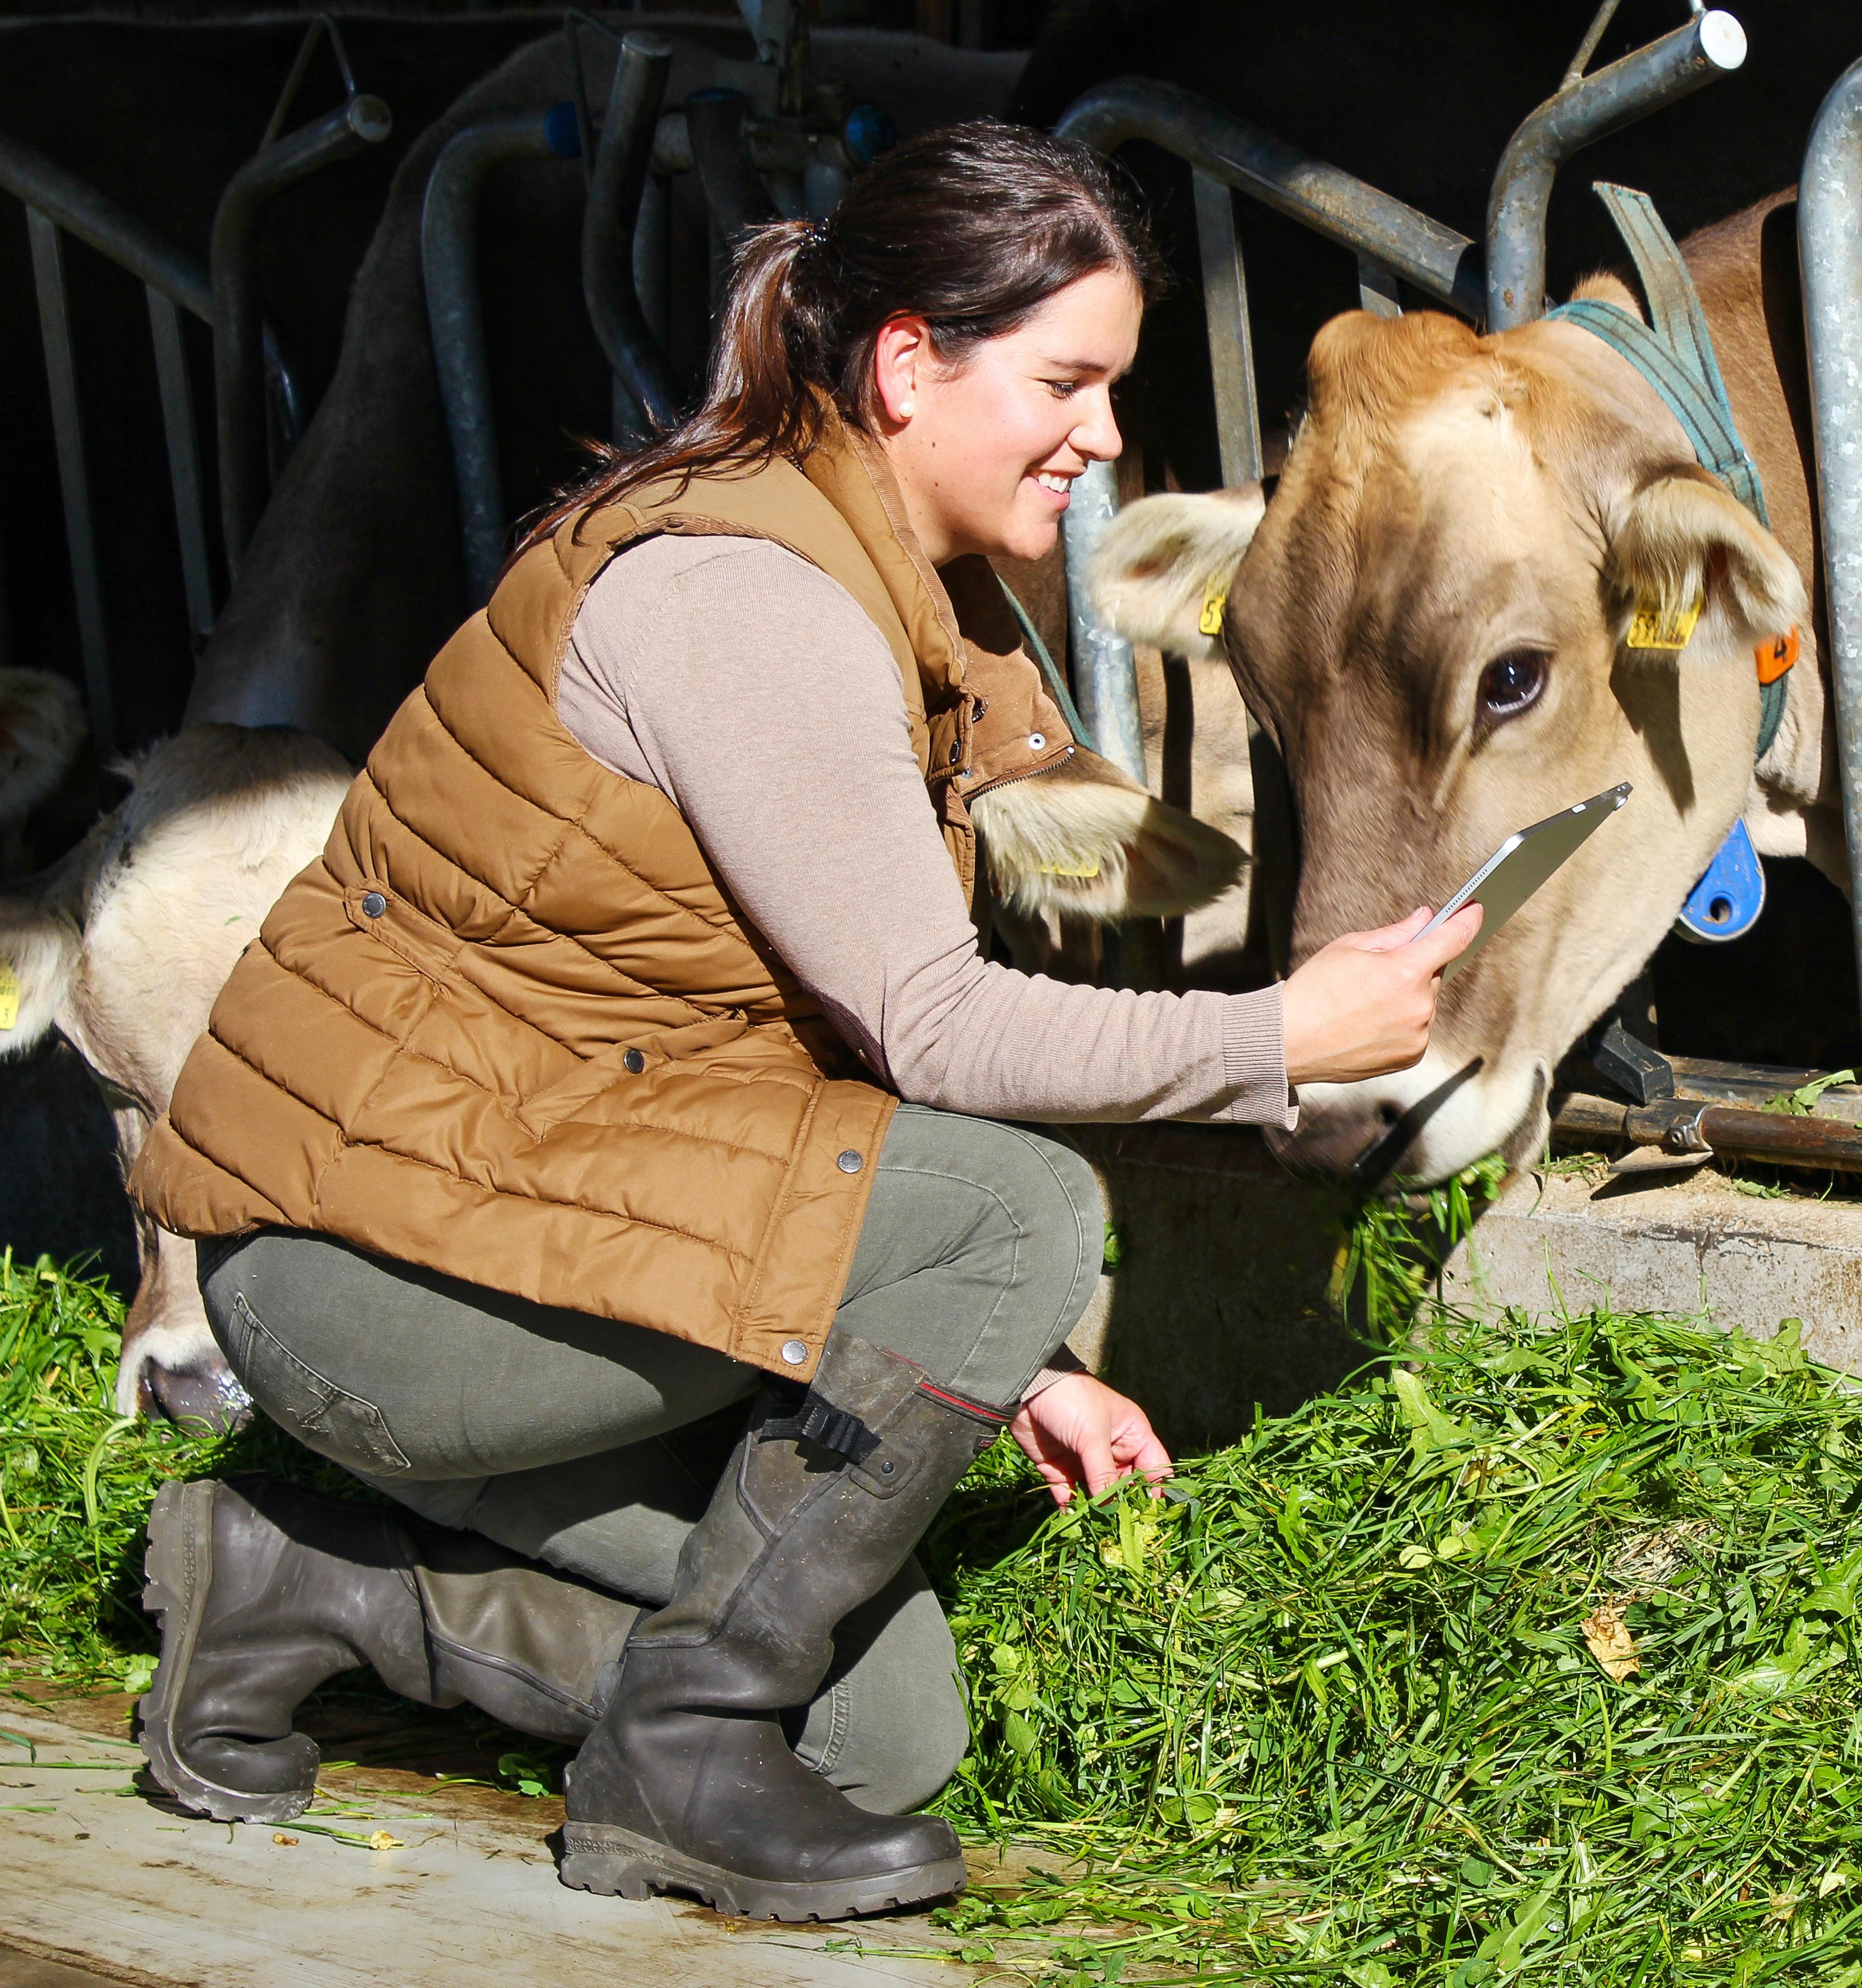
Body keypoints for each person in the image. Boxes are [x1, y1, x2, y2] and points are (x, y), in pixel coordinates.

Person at [124, 123, 1476, 1924]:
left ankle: (298, 1587)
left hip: (535, 1219)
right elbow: (928, 1035)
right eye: (1065, 382)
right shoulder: (746, 595)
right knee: (1018, 1205)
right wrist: (1279, 1035)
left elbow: (775, 1073)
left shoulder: (877, 588)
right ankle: (675, 1764)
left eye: (1114, 386)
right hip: (369, 1273)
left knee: (876, 1729)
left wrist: (1009, 1366)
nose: (1101, 435)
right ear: (911, 365)